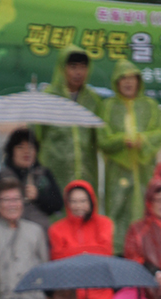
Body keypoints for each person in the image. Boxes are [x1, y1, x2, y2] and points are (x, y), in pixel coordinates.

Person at [98, 60, 161, 254]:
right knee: (118, 211)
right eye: (123, 78)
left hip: (146, 170)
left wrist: (142, 140)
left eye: (132, 78)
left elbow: (159, 133)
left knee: (147, 208)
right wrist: (122, 141)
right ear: (116, 82)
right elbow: (102, 139)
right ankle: (119, 252)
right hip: (117, 173)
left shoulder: (150, 105)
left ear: (139, 81)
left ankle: (148, 251)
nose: (128, 83)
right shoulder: (108, 107)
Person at [35, 46, 102, 194]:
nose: (78, 73)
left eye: (83, 67)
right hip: (54, 173)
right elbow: (36, 136)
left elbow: (100, 139)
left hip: (86, 172)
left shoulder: (93, 100)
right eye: (73, 67)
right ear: (62, 68)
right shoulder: (48, 97)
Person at [0, 128, 63, 235]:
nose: (26, 152)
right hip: (7, 233)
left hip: (40, 235)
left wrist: (39, 197)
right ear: (12, 152)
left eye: (30, 147)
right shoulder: (0, 177)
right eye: (20, 147)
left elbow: (57, 205)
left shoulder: (44, 174)